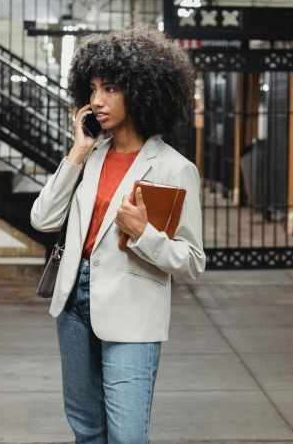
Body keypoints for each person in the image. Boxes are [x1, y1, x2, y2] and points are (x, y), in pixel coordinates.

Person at [30, 23, 206, 443]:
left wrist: (144, 234)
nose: (96, 101)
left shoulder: (173, 168)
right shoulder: (89, 156)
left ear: (143, 90)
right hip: (73, 304)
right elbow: (42, 219)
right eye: (91, 88)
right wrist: (77, 151)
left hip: (131, 310)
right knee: (87, 430)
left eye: (109, 88)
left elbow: (192, 262)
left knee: (127, 436)